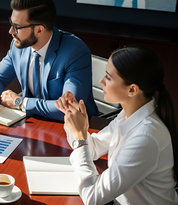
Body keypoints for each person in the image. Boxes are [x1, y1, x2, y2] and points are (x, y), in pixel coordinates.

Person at [55, 47, 178, 204]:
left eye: (108, 77)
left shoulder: (146, 136)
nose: (101, 81)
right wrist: (75, 121)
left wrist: (80, 138)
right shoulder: (128, 115)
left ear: (132, 90)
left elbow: (93, 197)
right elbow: (92, 150)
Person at [0, 0, 98, 121]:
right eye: (11, 24)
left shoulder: (75, 52)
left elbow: (70, 109)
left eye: (16, 27)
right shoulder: (18, 46)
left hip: (76, 128)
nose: (11, 32)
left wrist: (20, 102)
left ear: (39, 30)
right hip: (33, 123)